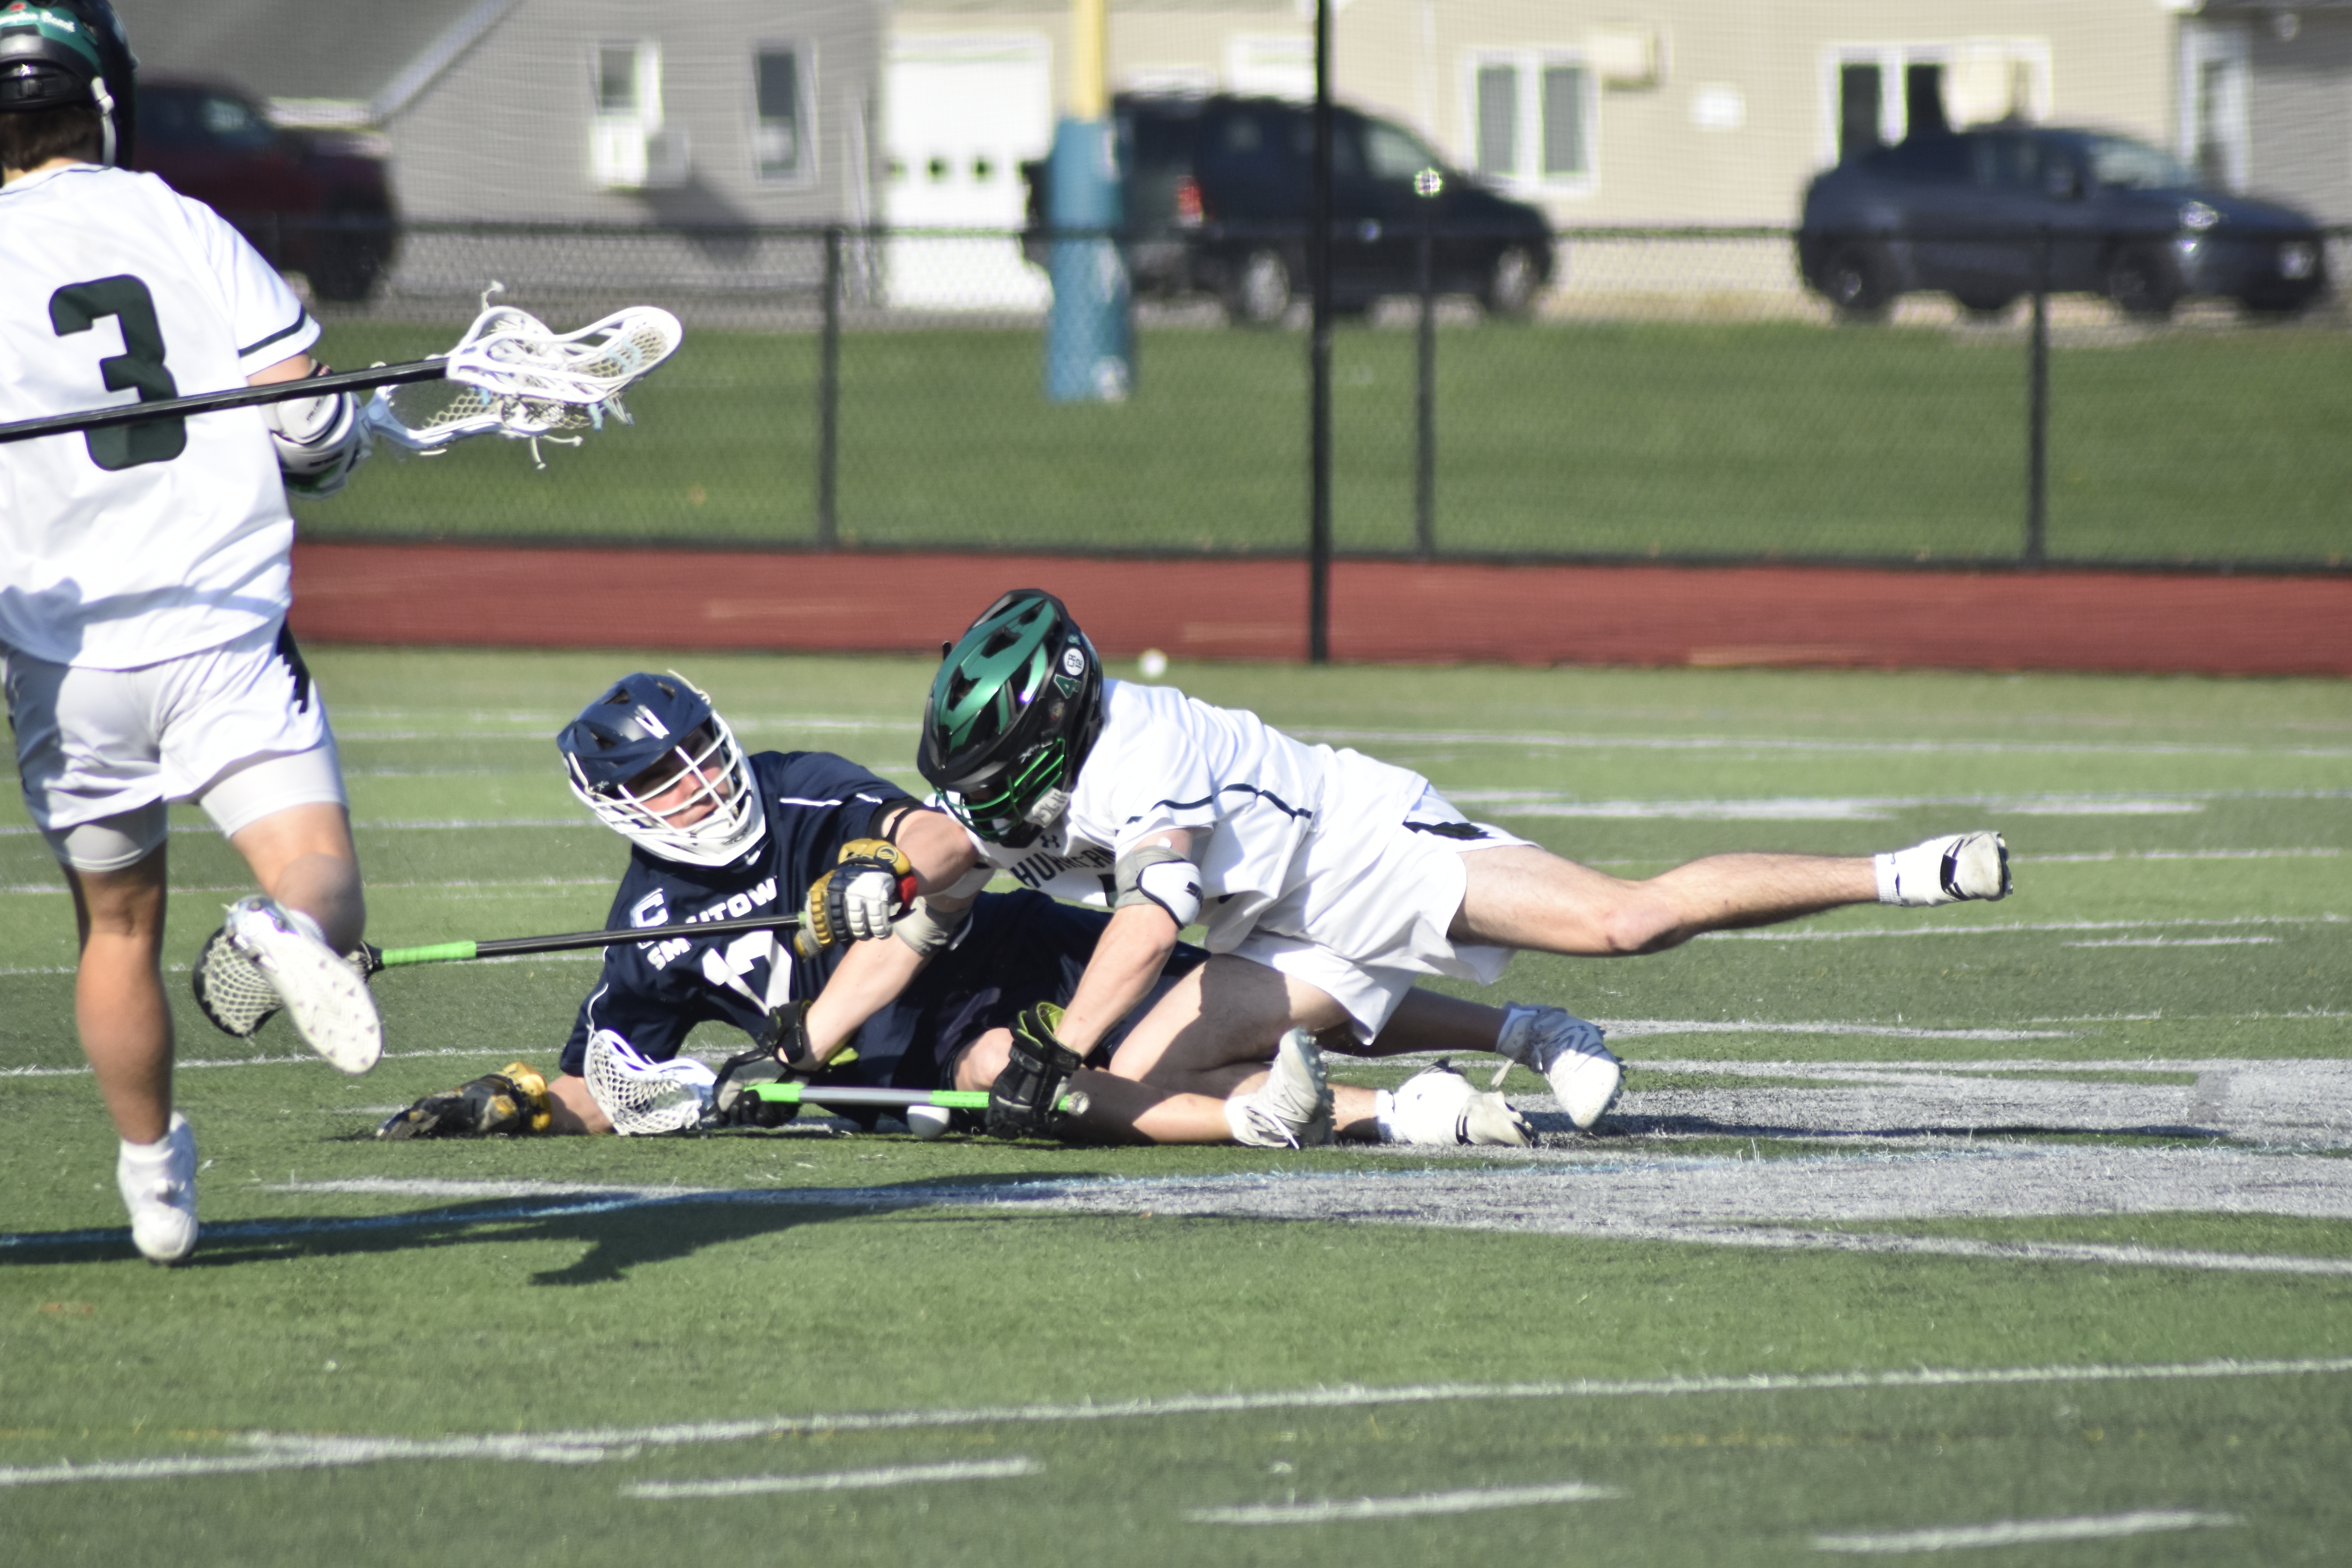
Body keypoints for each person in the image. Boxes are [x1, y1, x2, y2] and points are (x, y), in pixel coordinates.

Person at [898, 588, 2014, 1138]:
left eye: (995, 765)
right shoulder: (1023, 783)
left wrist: (1060, 1041)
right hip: (1277, 926)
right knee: (1141, 1089)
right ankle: (1462, 1082)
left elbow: (1145, 923)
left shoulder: (1143, 751)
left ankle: (1903, 871)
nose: (980, 792)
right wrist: (866, 896)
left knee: (1628, 923)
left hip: (1367, 853)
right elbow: (938, 853)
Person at [383, 670, 1543, 1151]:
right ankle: (1384, 1117)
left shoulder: (811, 788)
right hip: (917, 1051)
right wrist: (525, 1098)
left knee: (1219, 993)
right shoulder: (647, 921)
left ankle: (1514, 1030)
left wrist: (872, 885)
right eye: (660, 780)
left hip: (999, 941)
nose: (695, 786)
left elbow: (932, 850)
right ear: (615, 807)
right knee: (1016, 1071)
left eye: (697, 757)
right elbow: (621, 1075)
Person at [1, 2, 387, 1265]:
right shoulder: (176, 219)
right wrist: (344, 439)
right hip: (221, 622)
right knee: (316, 879)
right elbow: (309, 433)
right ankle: (284, 931)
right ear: (106, 95)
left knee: (117, 927)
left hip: (66, 655)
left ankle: (155, 1189)